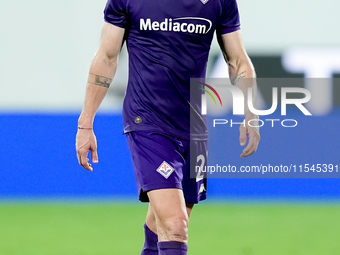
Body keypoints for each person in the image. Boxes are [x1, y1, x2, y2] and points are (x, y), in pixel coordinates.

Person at [76, 0, 260, 254]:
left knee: (160, 228)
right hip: (147, 122)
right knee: (175, 225)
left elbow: (238, 60)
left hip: (194, 126)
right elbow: (107, 57)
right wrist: (85, 124)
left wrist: (251, 113)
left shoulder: (220, 2)